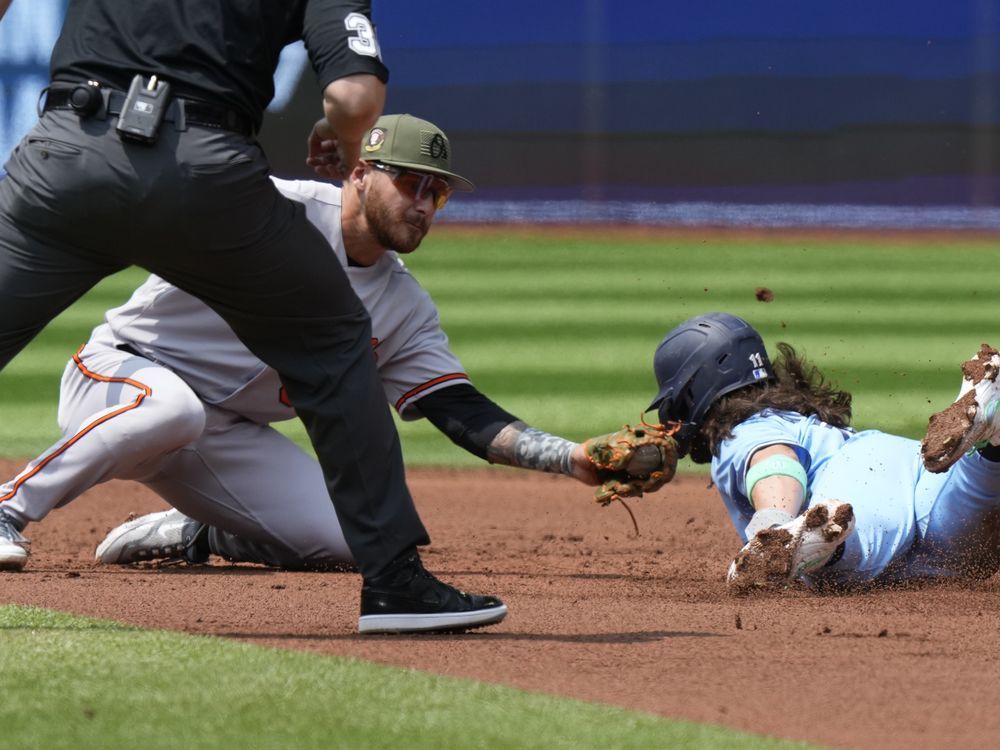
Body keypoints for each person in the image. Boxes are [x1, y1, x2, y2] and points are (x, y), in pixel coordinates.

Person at [0, 113, 658, 633]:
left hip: (220, 435)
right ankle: (9, 511)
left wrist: (570, 457)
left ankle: (199, 532)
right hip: (120, 376)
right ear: (363, 172)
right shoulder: (273, 209)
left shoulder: (403, 306)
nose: (425, 203)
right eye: (409, 182)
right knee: (172, 409)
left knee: (355, 539)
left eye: (438, 191)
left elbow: (459, 408)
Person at [0, 1, 504, 633]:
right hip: (202, 173)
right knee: (337, 335)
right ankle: (396, 585)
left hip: (66, 150)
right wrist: (347, 140)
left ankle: (201, 530)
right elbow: (353, 97)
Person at [645, 312, 1000, 592]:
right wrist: (587, 460)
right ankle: (990, 442)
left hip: (857, 482)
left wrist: (774, 523)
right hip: (915, 472)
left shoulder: (740, 431)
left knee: (837, 564)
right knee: (962, 542)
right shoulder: (794, 417)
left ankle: (808, 542)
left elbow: (775, 462)